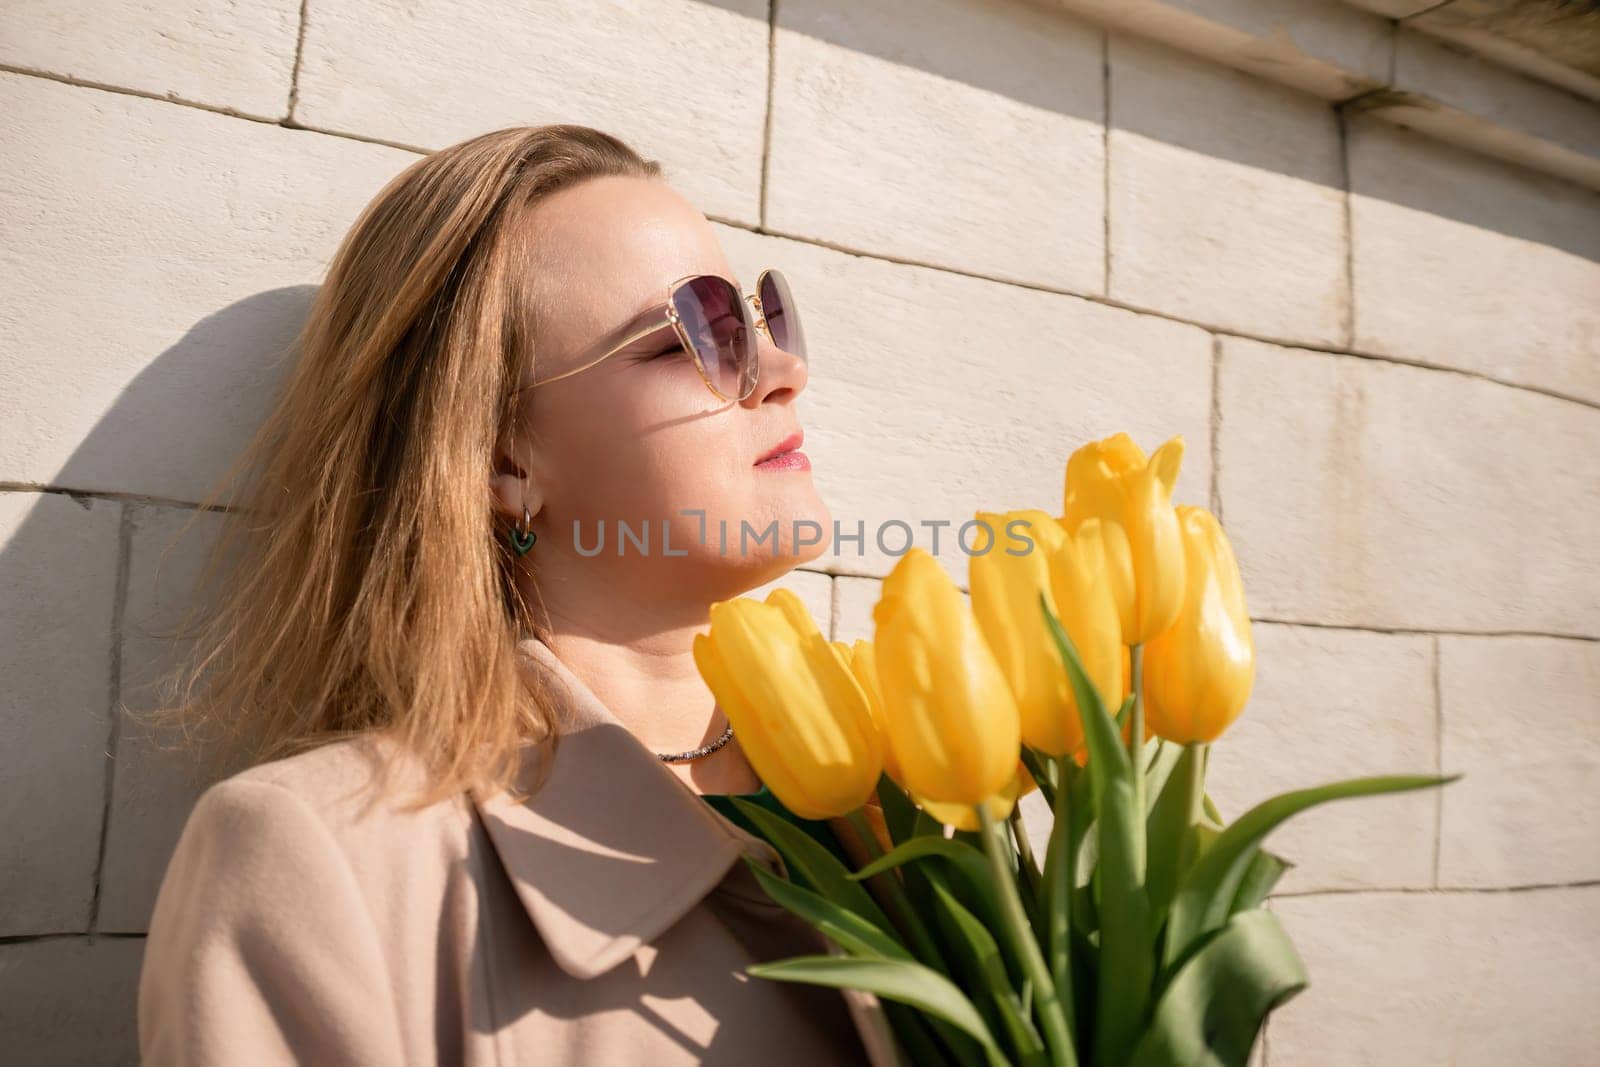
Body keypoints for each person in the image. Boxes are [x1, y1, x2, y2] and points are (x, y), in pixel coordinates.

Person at [135, 123, 895, 1065]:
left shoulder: (910, 788)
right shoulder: (325, 866)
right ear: (501, 457)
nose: (783, 372)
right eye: (688, 337)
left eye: (758, 317)